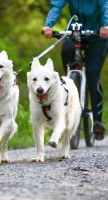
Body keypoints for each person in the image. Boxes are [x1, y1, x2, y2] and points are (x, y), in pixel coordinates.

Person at [42, 0, 108, 140]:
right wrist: (48, 25)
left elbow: (105, 7)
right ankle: (71, 81)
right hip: (75, 33)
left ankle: (97, 121)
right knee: (66, 48)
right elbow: (56, 5)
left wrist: (105, 25)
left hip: (98, 35)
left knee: (92, 75)